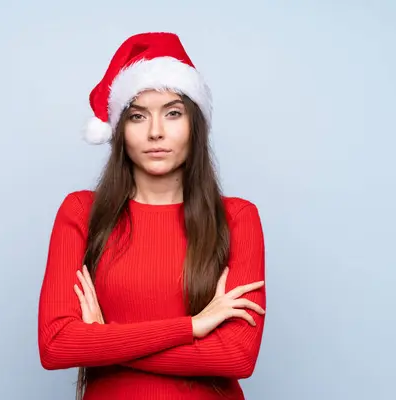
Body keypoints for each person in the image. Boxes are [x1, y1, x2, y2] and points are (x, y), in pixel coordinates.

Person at [38, 32, 267, 400]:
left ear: (195, 124)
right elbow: (57, 345)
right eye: (138, 116)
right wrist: (192, 327)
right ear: (119, 130)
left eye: (173, 113)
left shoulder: (237, 218)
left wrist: (104, 340)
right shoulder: (82, 212)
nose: (156, 132)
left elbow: (236, 357)